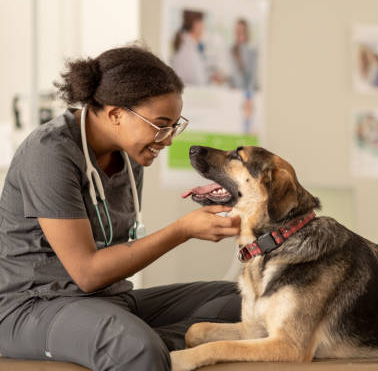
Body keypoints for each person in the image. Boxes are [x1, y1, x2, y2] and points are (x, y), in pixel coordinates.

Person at [0, 46, 242, 370]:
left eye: (174, 125)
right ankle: (141, 347)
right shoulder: (49, 154)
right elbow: (87, 273)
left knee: (243, 301)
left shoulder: (129, 158)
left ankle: (149, 345)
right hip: (32, 307)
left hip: (109, 301)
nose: (168, 138)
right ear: (116, 114)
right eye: (161, 124)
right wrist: (183, 230)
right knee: (136, 348)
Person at [171, 10, 224, 86]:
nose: (204, 27)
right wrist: (212, 82)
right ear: (196, 24)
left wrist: (210, 77)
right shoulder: (187, 52)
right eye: (203, 23)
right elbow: (199, 85)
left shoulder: (189, 46)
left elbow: (196, 75)